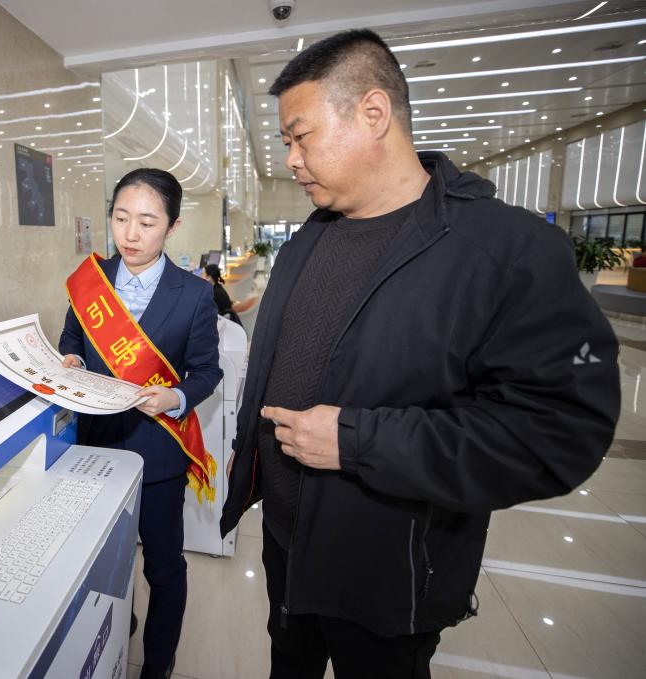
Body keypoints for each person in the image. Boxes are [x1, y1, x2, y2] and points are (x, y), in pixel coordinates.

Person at [219, 29, 621, 679]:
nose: (291, 159)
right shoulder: (306, 241)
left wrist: (358, 441)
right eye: (285, 142)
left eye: (301, 136)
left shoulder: (501, 251)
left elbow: (558, 431)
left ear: (373, 113)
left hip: (387, 575)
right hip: (288, 544)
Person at [59, 168, 223, 679]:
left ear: (172, 227)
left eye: (147, 223)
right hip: (95, 448)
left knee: (163, 565)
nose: (130, 234)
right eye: (121, 218)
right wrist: (71, 359)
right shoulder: (90, 280)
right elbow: (72, 338)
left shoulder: (193, 294)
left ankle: (157, 663)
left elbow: (207, 371)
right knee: (102, 554)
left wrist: (176, 396)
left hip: (158, 453)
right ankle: (119, 621)